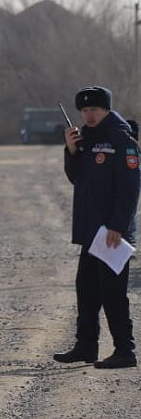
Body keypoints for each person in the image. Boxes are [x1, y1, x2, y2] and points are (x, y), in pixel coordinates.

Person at [54, 86, 139, 369]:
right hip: (92, 232)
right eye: (85, 111)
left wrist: (118, 225)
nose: (89, 115)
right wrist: (71, 149)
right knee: (86, 289)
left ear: (106, 110)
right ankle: (86, 346)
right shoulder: (86, 139)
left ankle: (125, 351)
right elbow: (76, 177)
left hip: (113, 233)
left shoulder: (121, 139)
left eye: (95, 110)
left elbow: (130, 189)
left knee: (113, 293)